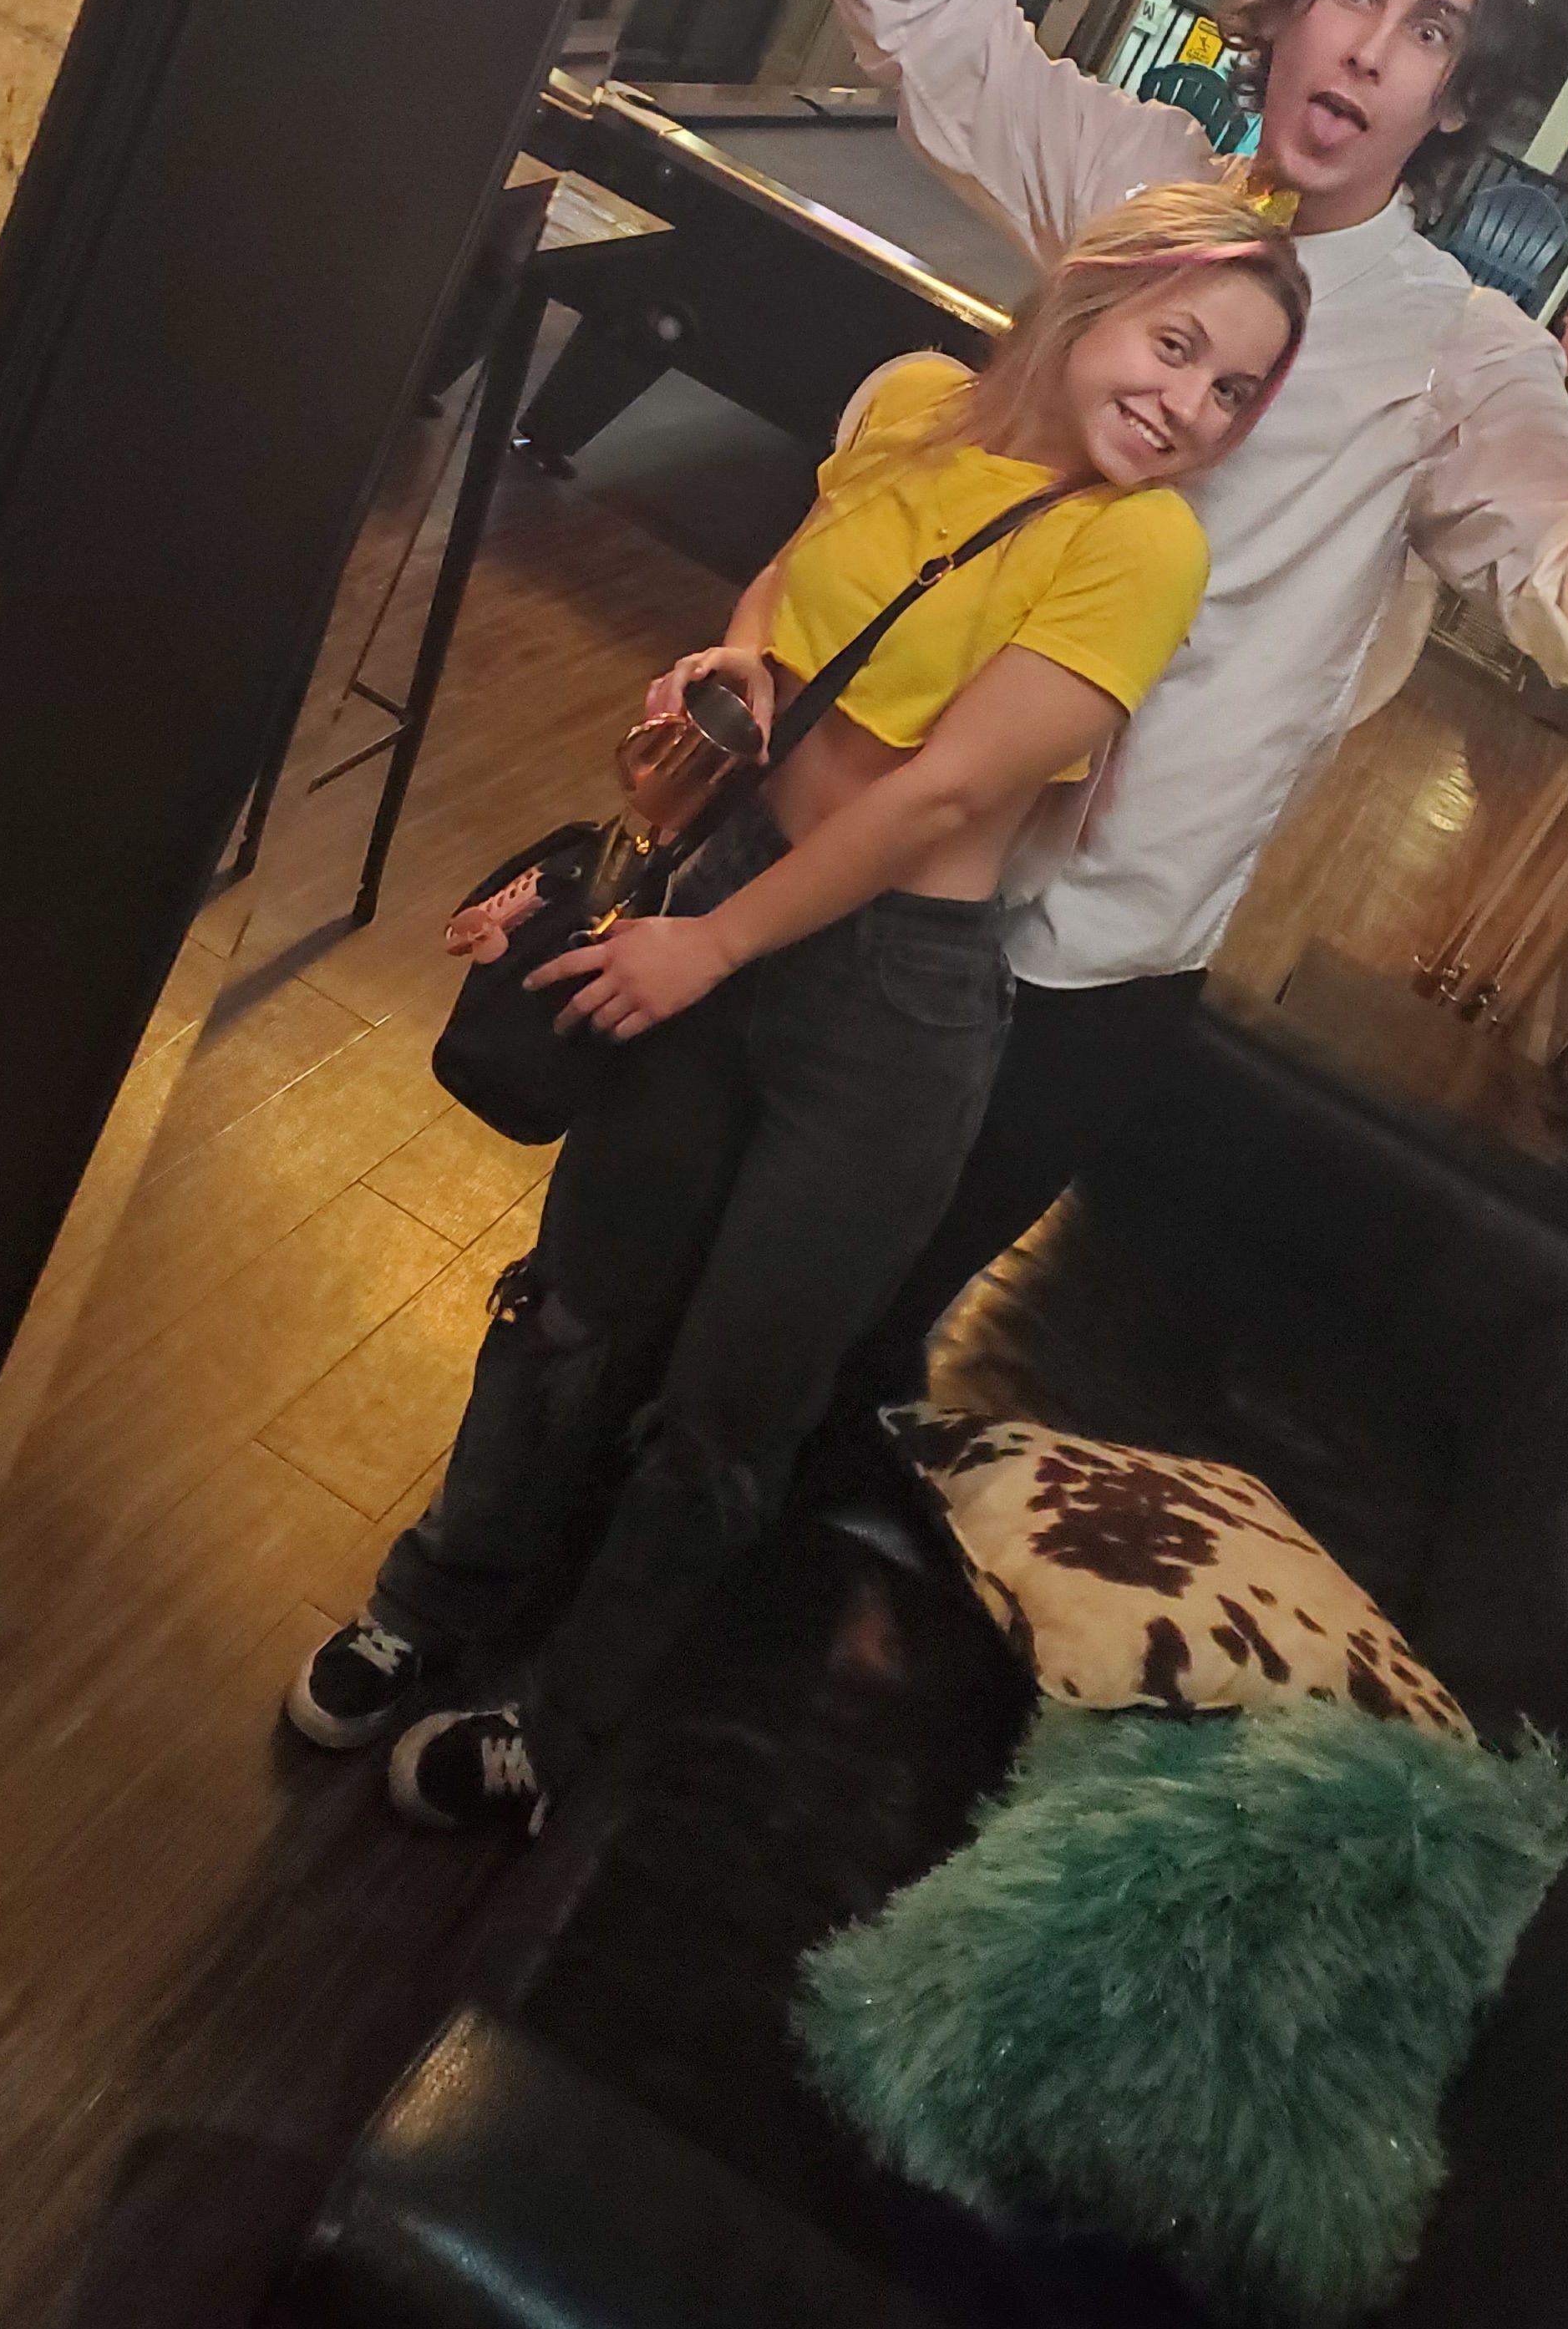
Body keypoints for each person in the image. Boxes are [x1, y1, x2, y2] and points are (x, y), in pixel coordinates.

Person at [284, 182, 1312, 1831]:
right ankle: (429, 1599)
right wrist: (748, 657)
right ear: (1091, 295)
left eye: (1234, 390)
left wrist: (711, 947)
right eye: (1177, 345)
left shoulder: (1143, 544)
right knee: (578, 1299)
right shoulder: (915, 408)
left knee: (730, 1405)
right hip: (732, 881)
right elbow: (786, 577)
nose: (1192, 405)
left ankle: (560, 1720)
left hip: (893, 1001)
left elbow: (940, 797)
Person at [819, 0, 1568, 1418]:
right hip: (876, 830)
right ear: (1288, 14)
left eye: (1429, 32)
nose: (1371, 49)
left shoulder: (1456, 348)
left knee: (863, 1341)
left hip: (1099, 946)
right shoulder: (1137, 185)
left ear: (1455, 102)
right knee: (726, 1250)